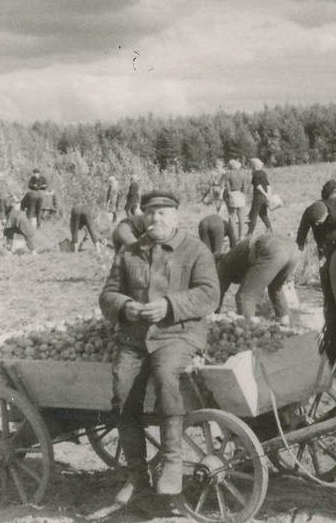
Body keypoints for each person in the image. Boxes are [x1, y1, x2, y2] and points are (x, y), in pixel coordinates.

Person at [99, 190, 220, 501]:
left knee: (167, 375)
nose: (155, 219)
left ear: (176, 217)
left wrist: (169, 305)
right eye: (150, 213)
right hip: (135, 337)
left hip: (179, 333)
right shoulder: (128, 253)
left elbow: (209, 294)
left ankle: (171, 463)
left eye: (163, 213)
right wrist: (124, 306)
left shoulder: (195, 251)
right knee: (123, 389)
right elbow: (108, 295)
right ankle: (137, 474)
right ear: (143, 217)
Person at [215, 233, 298, 324]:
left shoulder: (223, 264)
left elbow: (218, 293)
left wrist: (213, 316)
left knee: (245, 296)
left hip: (272, 248)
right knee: (275, 289)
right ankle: (286, 327)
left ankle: (249, 334)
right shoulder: (235, 255)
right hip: (293, 250)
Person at [246, 158, 273, 237]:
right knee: (263, 213)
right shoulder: (263, 173)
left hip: (258, 196)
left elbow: (258, 186)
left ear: (254, 166)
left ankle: (250, 233)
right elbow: (268, 185)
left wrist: (264, 193)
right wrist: (268, 195)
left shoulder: (255, 174)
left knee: (253, 215)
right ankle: (269, 228)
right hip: (265, 197)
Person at [222, 159, 248, 240]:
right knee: (241, 217)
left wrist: (229, 194)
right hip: (240, 194)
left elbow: (227, 187)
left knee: (232, 217)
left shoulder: (228, 174)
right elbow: (245, 187)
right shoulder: (243, 174)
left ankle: (232, 236)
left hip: (232, 194)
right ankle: (241, 236)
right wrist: (243, 195)